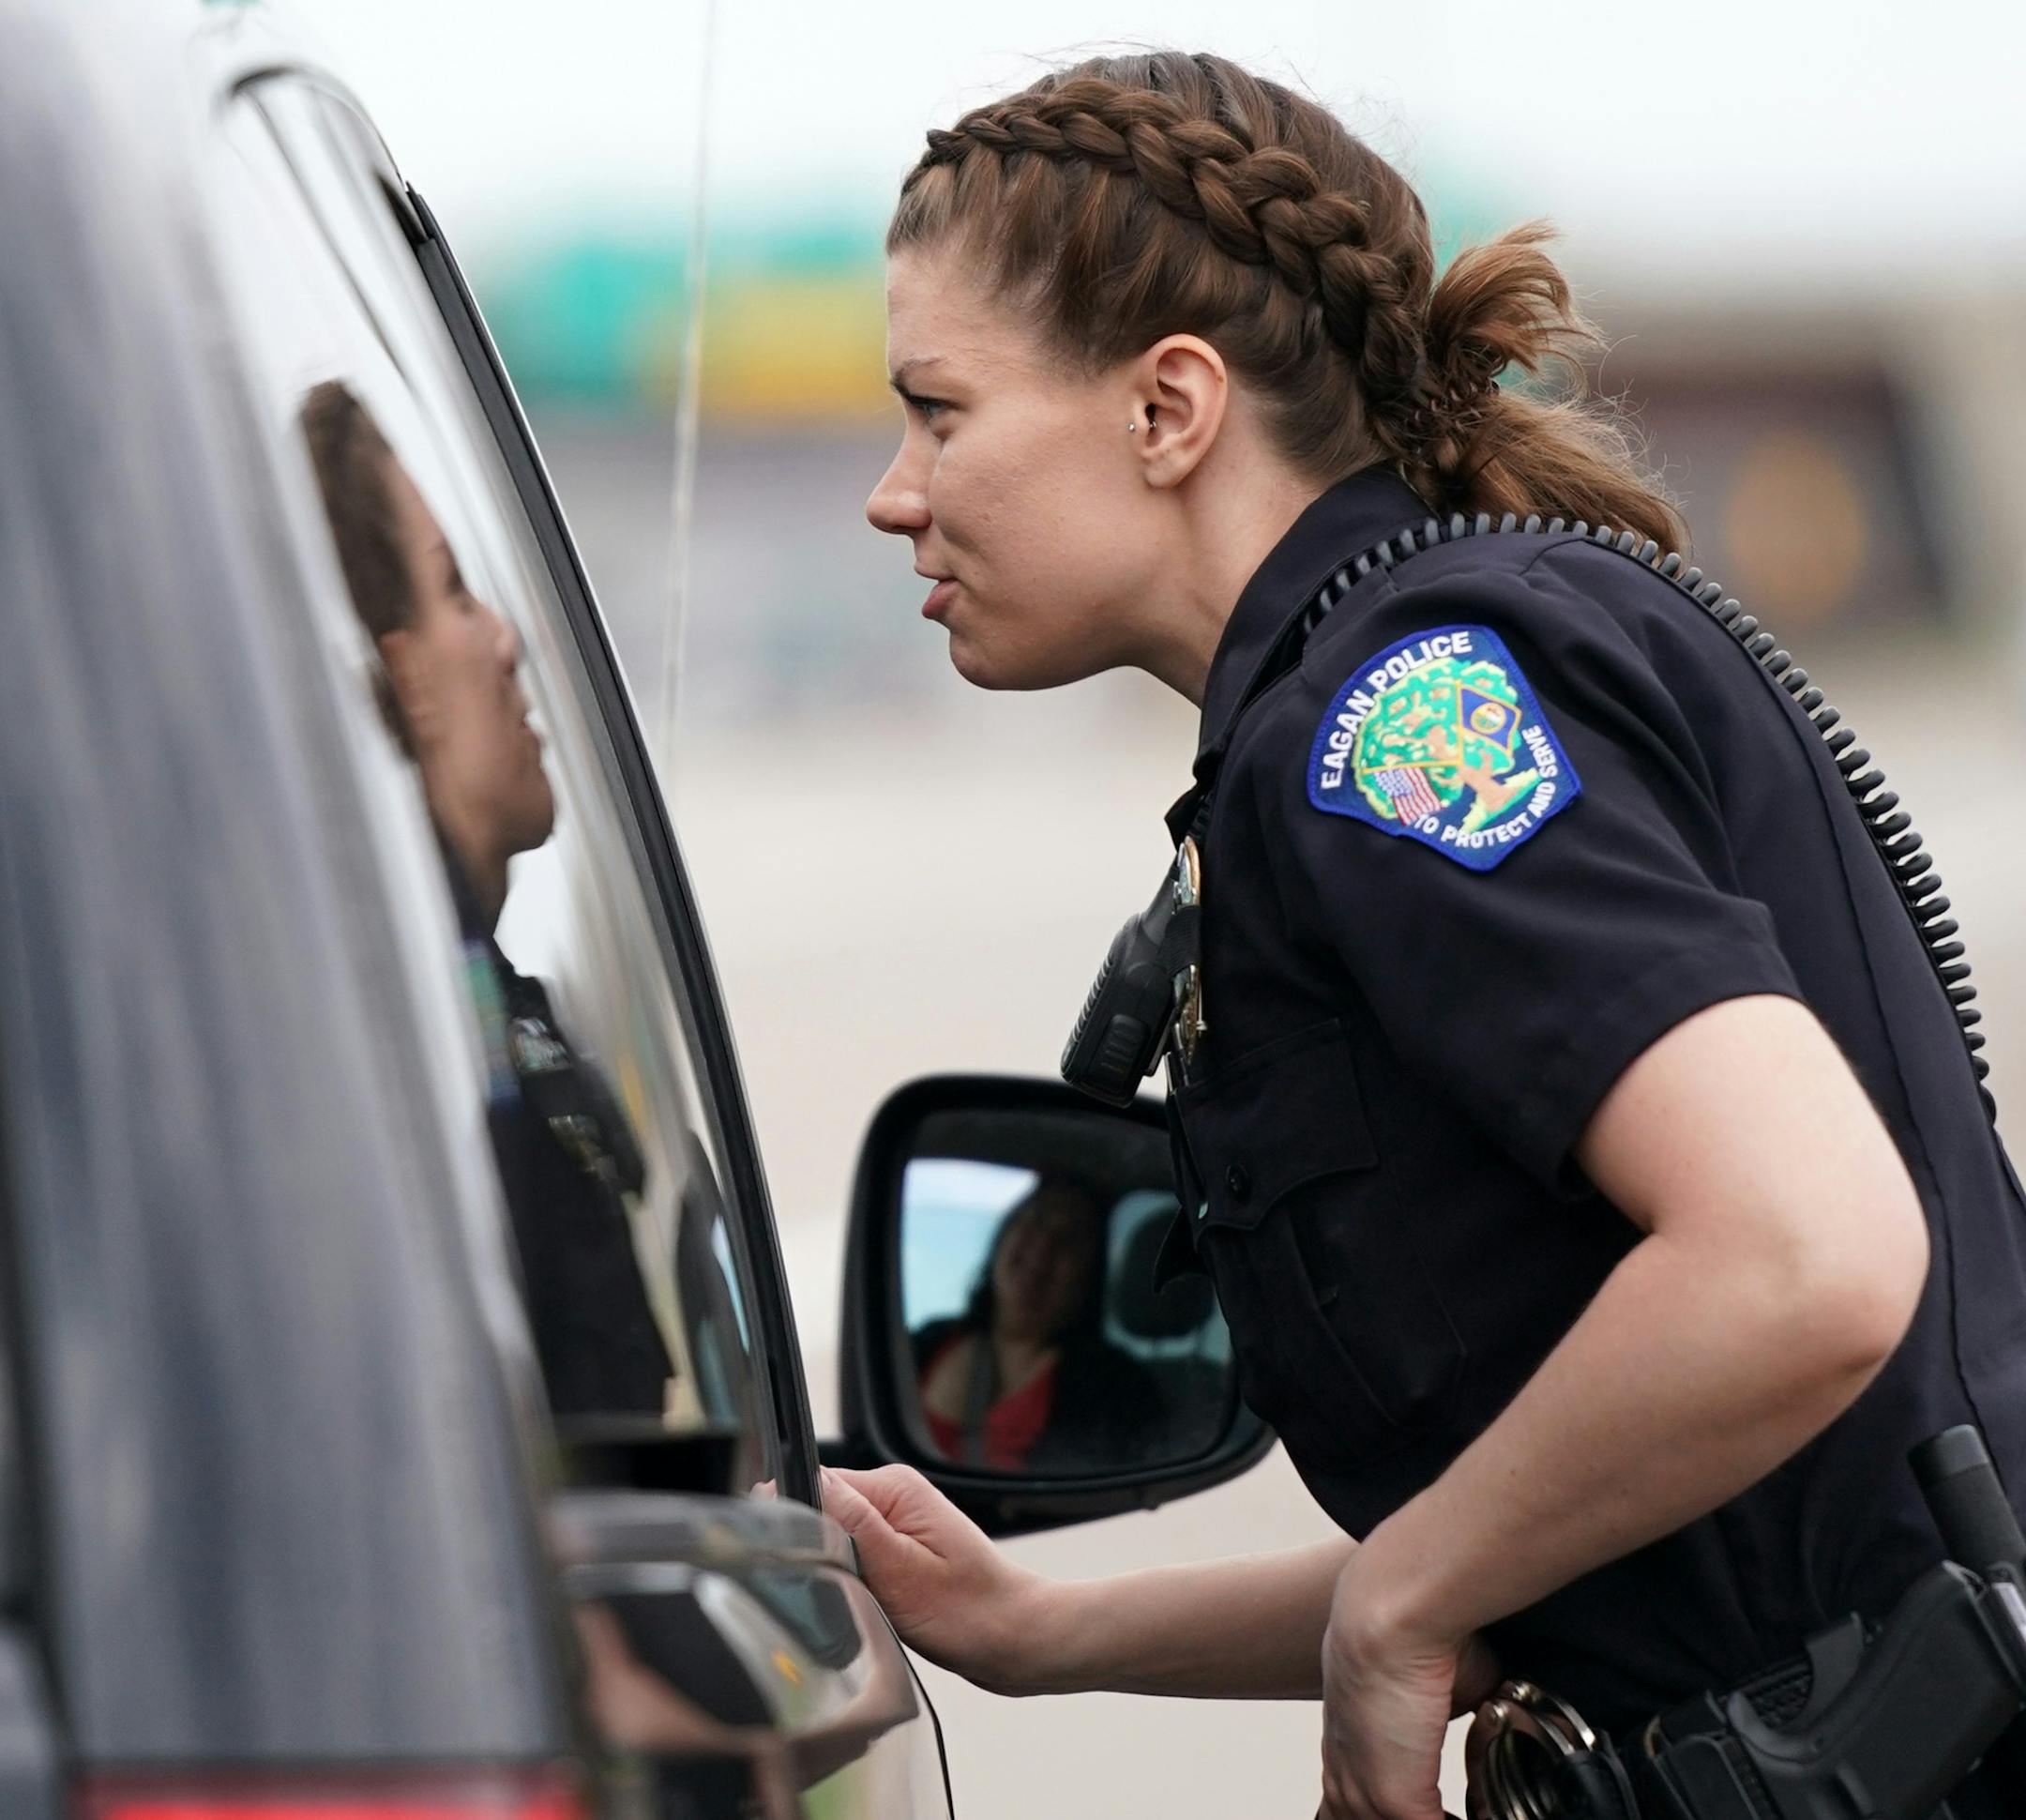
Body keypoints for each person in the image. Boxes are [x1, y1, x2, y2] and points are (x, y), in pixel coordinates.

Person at [824, 50, 2026, 1820]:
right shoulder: (1380, 687)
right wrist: (1035, 1627)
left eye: (941, 410)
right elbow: (1586, 1543)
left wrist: (1402, 1604)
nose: (894, 491)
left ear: (1171, 409)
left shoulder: (1401, 716)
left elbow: (1803, 1257)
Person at [299, 380, 674, 1421]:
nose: (507, 639)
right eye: (456, 590)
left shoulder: (428, 1007)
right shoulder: (401, 1053)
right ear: (404, 679)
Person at [912, 1175, 1162, 1473]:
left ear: (1092, 1273)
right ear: (1002, 1238)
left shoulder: (1118, 1390)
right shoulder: (926, 1342)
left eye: (1069, 1238)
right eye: (1034, 1221)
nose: (1043, 1247)